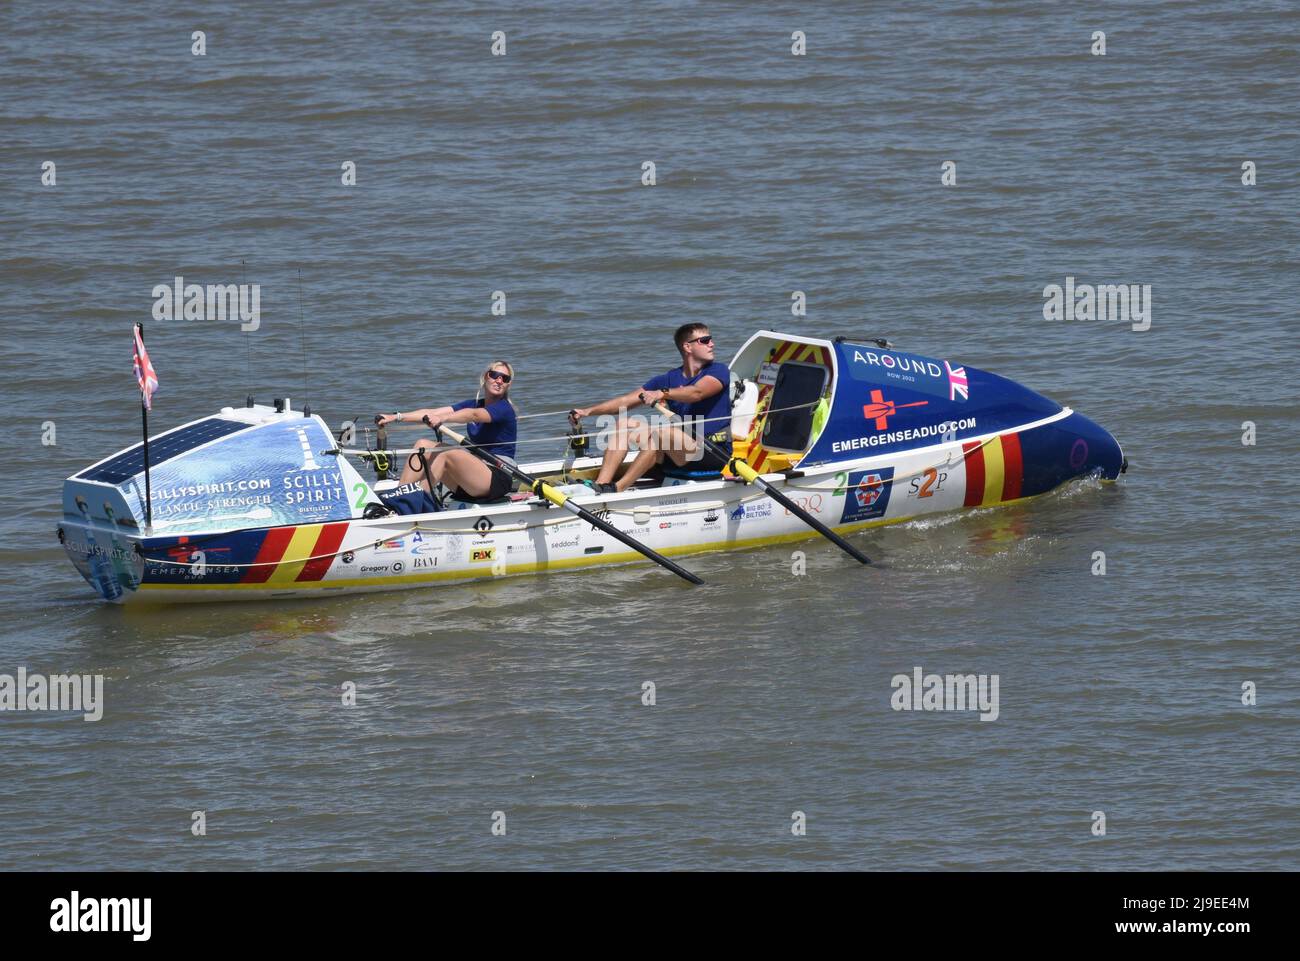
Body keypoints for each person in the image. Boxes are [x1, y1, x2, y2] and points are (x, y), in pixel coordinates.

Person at [569, 324, 731, 493]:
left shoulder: (719, 370)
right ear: (687, 346)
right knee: (624, 424)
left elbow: (697, 392)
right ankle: (600, 485)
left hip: (713, 451)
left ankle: (618, 488)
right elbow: (625, 401)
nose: (712, 344)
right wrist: (587, 412)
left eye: (711, 339)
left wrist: (663, 393)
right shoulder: (668, 378)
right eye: (705, 340)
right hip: (678, 448)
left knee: (662, 433)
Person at [376, 360, 518, 503]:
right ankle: (400, 500)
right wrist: (396, 417)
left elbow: (474, 415)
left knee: (445, 454)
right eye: (495, 375)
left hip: (498, 476)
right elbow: (432, 412)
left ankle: (415, 504)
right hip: (473, 478)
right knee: (422, 445)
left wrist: (441, 418)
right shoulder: (473, 404)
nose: (499, 380)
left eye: (504, 378)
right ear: (486, 377)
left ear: (508, 384)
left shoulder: (504, 408)